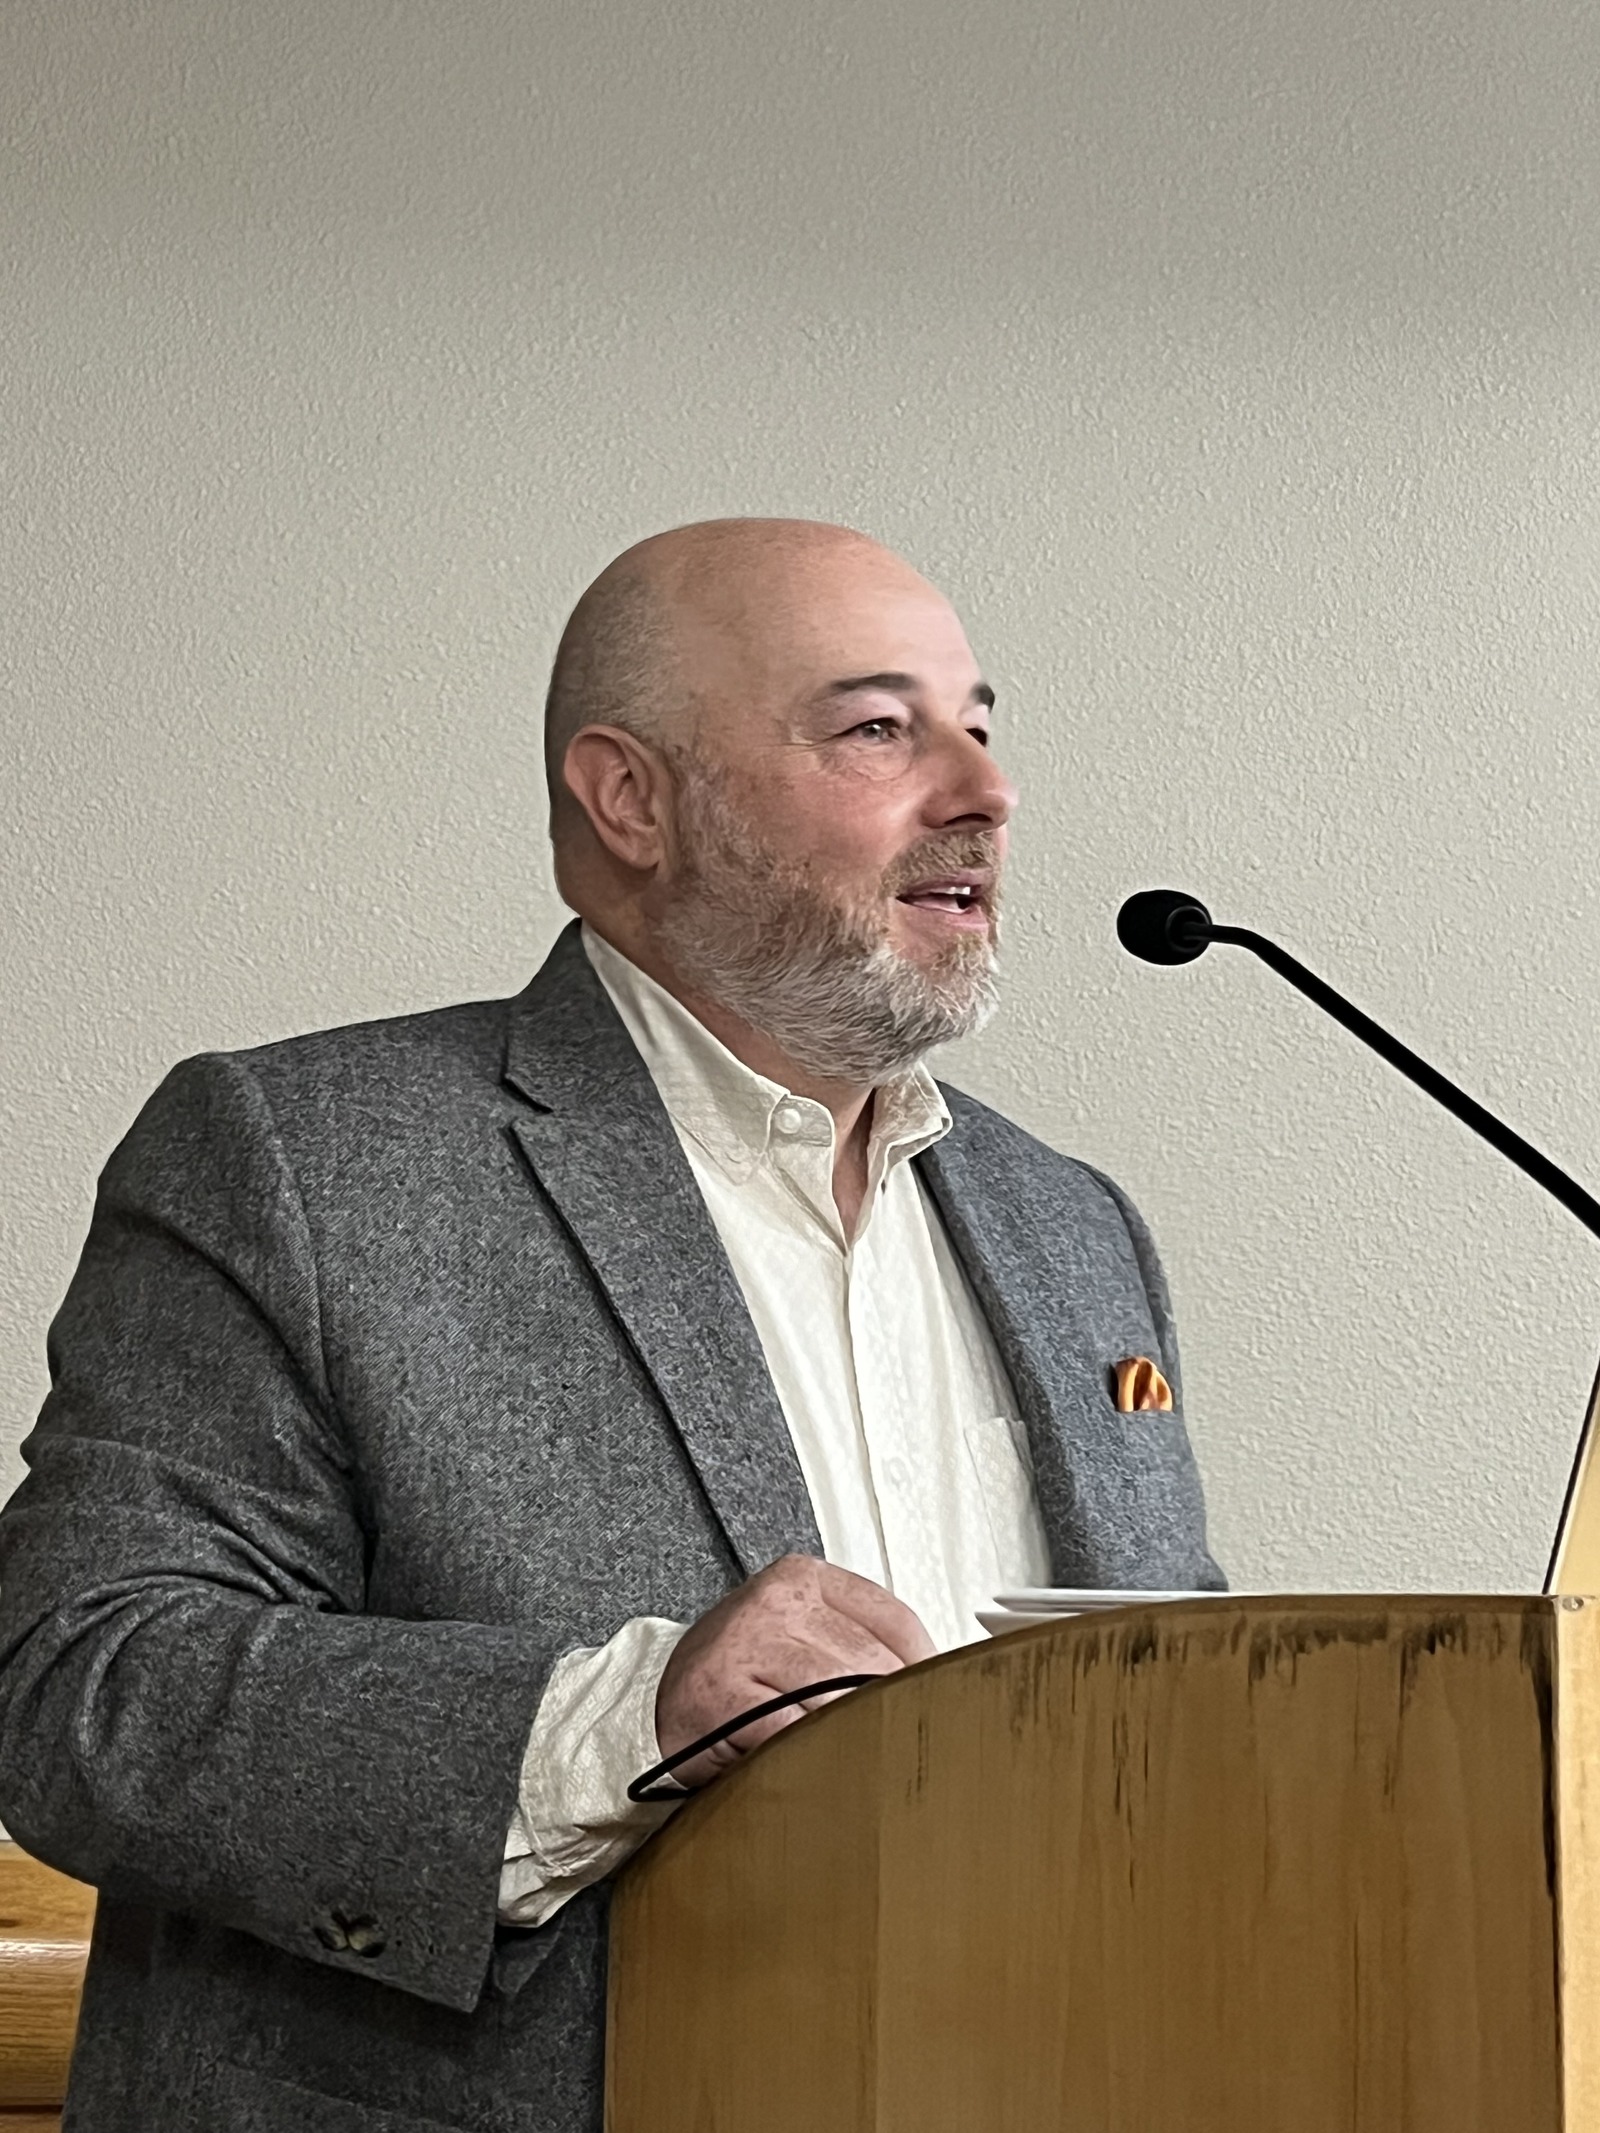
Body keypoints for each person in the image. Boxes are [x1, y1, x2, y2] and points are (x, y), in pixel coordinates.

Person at [0, 516, 1224, 2133]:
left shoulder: (1073, 1225)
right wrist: (625, 1718)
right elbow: (83, 1687)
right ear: (631, 797)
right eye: (880, 728)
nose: (983, 791)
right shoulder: (302, 1159)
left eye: (981, 726)